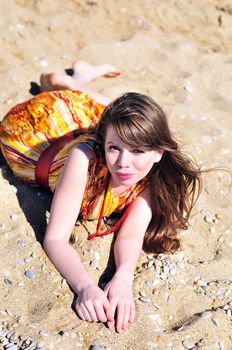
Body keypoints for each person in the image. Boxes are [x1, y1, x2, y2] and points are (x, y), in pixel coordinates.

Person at [0, 60, 202, 333]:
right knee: (105, 117)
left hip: (86, 126)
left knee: (114, 119)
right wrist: (84, 286)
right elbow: (56, 238)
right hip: (38, 129)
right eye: (114, 149)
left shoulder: (153, 176)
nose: (123, 163)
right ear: (102, 143)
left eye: (139, 151)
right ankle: (68, 87)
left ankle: (74, 82)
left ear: (158, 153)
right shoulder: (83, 158)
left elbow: (131, 233)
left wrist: (123, 278)